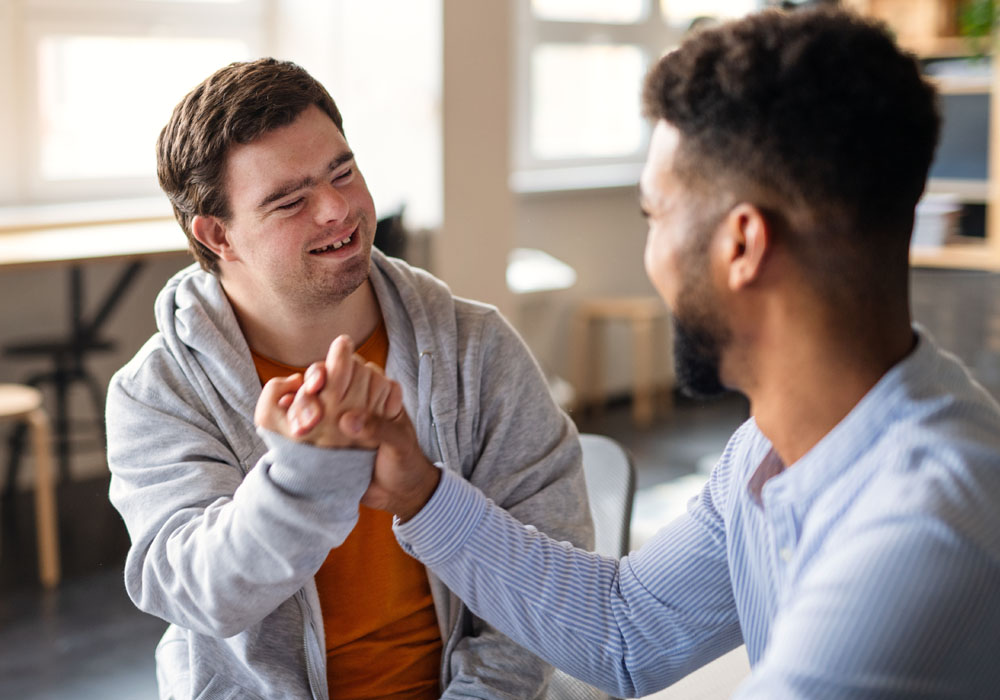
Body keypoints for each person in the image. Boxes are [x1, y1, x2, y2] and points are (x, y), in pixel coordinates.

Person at [269, 7, 1000, 698]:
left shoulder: (927, 526)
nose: (649, 250)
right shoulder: (771, 449)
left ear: (742, 245)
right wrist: (421, 490)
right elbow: (628, 630)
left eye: (654, 215)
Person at [105, 58, 593, 700]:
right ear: (218, 234)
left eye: (344, 172)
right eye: (290, 200)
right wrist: (306, 478)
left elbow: (548, 574)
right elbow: (200, 593)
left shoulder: (476, 347)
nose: (339, 209)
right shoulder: (159, 390)